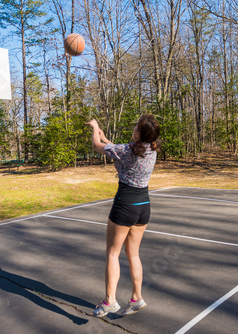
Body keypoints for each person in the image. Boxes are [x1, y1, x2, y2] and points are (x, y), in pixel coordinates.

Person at [85, 114, 160, 317]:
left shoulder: (127, 150)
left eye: (136, 126)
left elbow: (96, 146)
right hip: (144, 206)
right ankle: (136, 298)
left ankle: (110, 301)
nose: (134, 128)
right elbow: (116, 148)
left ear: (138, 133)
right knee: (133, 254)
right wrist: (105, 137)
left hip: (125, 205)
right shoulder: (151, 149)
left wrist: (95, 128)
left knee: (112, 253)